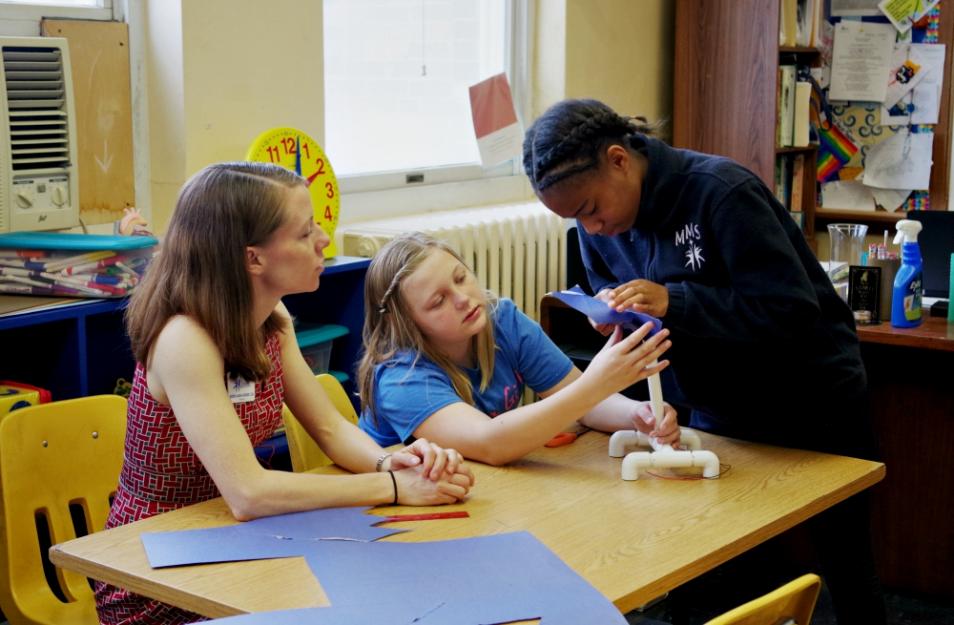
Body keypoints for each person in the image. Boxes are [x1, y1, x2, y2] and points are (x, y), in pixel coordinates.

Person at [523, 98, 884, 625]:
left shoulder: (721, 193)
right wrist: (613, 313)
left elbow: (790, 312)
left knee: (845, 562)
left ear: (620, 160)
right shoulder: (595, 225)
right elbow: (613, 284)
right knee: (715, 566)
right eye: (573, 219)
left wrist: (674, 300)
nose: (592, 229)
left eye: (590, 209)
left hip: (811, 401)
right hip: (715, 408)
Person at [95, 163, 473, 625]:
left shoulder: (272, 316)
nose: (323, 242)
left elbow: (331, 428)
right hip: (155, 568)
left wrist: (387, 461)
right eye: (304, 233)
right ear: (253, 259)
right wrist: (394, 487)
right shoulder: (184, 340)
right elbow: (249, 493)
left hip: (240, 540)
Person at [356, 231, 677, 466]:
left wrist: (636, 415)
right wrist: (595, 384)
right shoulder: (401, 376)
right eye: (438, 301)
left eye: (461, 277)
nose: (463, 298)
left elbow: (583, 403)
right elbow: (491, 444)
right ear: (408, 324)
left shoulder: (501, 320)